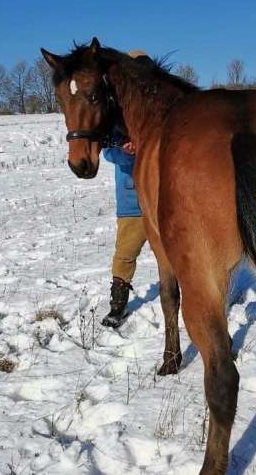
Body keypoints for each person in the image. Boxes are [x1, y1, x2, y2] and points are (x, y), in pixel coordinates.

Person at [100, 50, 150, 328]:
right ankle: (117, 306)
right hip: (131, 205)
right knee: (124, 256)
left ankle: (184, 298)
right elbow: (108, 152)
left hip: (162, 204)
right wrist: (125, 151)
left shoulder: (155, 111)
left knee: (176, 257)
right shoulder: (116, 117)